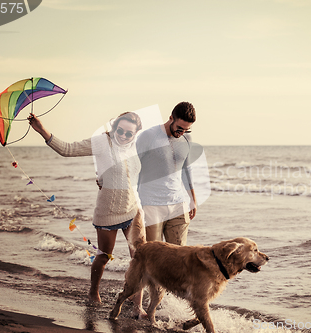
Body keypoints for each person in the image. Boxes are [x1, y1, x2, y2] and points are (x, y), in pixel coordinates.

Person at [28, 112, 146, 316]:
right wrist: (42, 130)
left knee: (141, 258)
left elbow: (132, 175)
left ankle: (137, 306)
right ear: (114, 127)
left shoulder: (136, 147)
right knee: (104, 257)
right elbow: (67, 150)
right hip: (108, 211)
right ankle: (93, 292)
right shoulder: (102, 142)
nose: (124, 136)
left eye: (129, 134)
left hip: (133, 210)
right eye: (120, 131)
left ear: (135, 134)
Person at [136, 102, 197, 245]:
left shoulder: (186, 139)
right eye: (179, 128)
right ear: (171, 118)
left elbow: (186, 170)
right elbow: (131, 167)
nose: (181, 133)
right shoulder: (148, 136)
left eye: (186, 130)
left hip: (178, 204)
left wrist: (193, 200)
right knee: (153, 256)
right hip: (150, 204)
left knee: (180, 256)